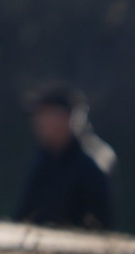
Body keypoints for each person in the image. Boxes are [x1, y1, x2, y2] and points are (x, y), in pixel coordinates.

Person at [14, 86, 117, 230]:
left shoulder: (91, 164)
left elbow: (100, 222)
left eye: (47, 116)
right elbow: (24, 215)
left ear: (68, 118)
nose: (40, 123)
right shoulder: (43, 160)